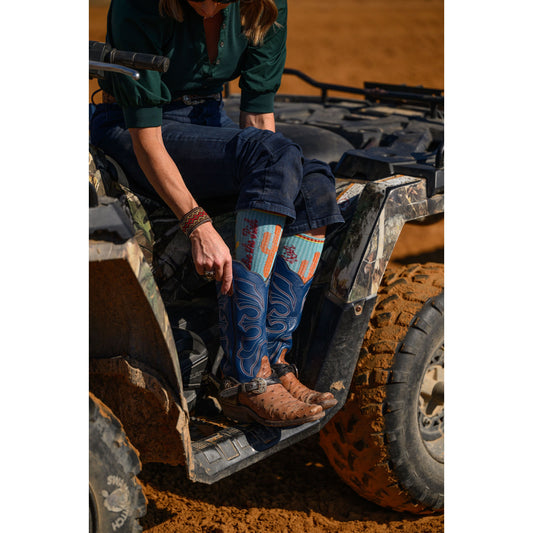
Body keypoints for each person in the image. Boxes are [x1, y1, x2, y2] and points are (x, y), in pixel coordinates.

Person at [90, 0, 344, 427]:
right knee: (275, 158)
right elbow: (146, 137)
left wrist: (275, 184)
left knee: (313, 182)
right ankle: (244, 378)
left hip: (208, 117)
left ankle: (271, 358)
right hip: (136, 129)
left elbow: (259, 118)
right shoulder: (141, 5)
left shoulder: (265, 5)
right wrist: (197, 223)